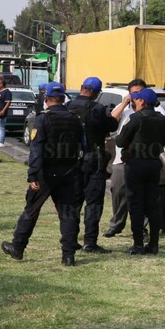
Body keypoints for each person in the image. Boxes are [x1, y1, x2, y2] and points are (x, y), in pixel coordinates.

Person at [1, 82, 83, 266]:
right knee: (68, 212)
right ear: (63, 98)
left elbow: (36, 149)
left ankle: (18, 247)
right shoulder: (74, 118)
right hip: (69, 172)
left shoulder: (43, 119)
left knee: (31, 209)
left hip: (46, 173)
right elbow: (82, 145)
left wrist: (33, 175)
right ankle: (68, 256)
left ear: (46, 99)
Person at [104, 79, 165, 238]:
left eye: (140, 93)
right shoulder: (126, 109)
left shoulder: (145, 116)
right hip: (131, 161)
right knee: (119, 192)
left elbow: (121, 140)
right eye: (134, 93)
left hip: (136, 161)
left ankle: (140, 233)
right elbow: (110, 122)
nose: (137, 96)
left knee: (139, 199)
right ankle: (119, 225)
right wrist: (124, 104)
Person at [66, 77, 118, 254]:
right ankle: (90, 242)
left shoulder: (68, 107)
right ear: (97, 93)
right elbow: (112, 125)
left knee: (73, 202)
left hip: (71, 160)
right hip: (94, 159)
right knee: (94, 203)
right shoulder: (98, 108)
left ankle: (70, 239)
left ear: (81, 88)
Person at [115, 88, 165, 255]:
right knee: (152, 204)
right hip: (153, 164)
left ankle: (138, 244)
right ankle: (153, 245)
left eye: (136, 100)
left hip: (136, 164)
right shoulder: (161, 119)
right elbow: (162, 140)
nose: (133, 102)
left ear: (142, 102)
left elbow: (120, 141)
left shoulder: (135, 118)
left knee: (136, 204)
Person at [0, 79, 12, 148]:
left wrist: (3, 110)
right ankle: (0, 141)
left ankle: (1, 142)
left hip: (0, 111)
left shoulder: (7, 92)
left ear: (1, 84)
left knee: (0, 127)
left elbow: (8, 102)